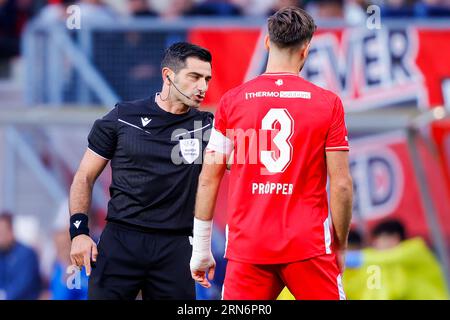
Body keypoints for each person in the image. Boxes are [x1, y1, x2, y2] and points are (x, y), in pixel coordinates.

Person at [190, 6, 353, 300]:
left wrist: (201, 249)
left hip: (248, 247)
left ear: (267, 42)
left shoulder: (232, 102)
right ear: (305, 49)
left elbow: (208, 178)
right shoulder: (328, 103)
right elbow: (340, 185)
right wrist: (339, 245)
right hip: (309, 248)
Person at [69, 42, 214, 300]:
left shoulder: (207, 128)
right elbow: (84, 177)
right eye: (194, 77)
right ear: (168, 75)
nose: (202, 86)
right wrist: (79, 232)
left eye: (207, 79)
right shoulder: (123, 116)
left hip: (176, 246)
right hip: (121, 239)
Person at [0, 212, 42, 300]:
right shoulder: (2, 254)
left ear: (10, 231)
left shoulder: (27, 254)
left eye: (2, 233)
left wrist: (3, 296)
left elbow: (23, 285)